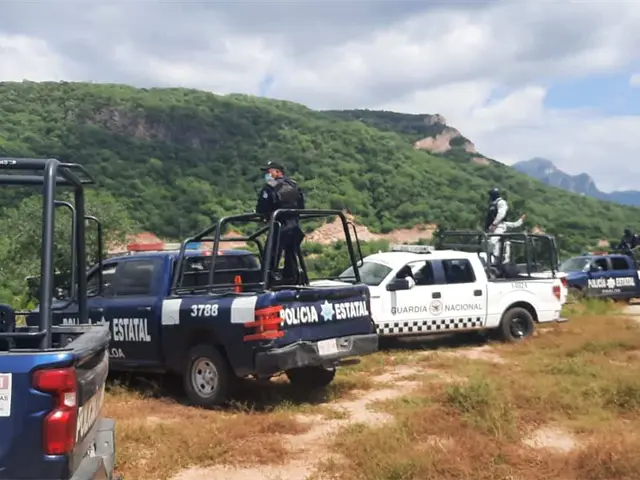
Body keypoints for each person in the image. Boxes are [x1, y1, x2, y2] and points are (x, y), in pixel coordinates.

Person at [255, 161, 306, 283]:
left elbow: (261, 208)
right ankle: (292, 278)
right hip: (295, 227)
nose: (268, 175)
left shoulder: (270, 187)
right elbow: (301, 206)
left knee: (270, 256)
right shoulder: (294, 185)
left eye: (269, 172)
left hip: (279, 226)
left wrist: (264, 215)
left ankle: (268, 281)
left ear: (278, 172)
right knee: (291, 253)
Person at [483, 187, 510, 264]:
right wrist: (486, 227)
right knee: (486, 243)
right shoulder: (492, 204)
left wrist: (494, 224)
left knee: (493, 242)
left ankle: (497, 259)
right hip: (492, 227)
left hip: (500, 226)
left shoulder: (501, 202)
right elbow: (488, 217)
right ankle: (492, 259)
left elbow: (501, 214)